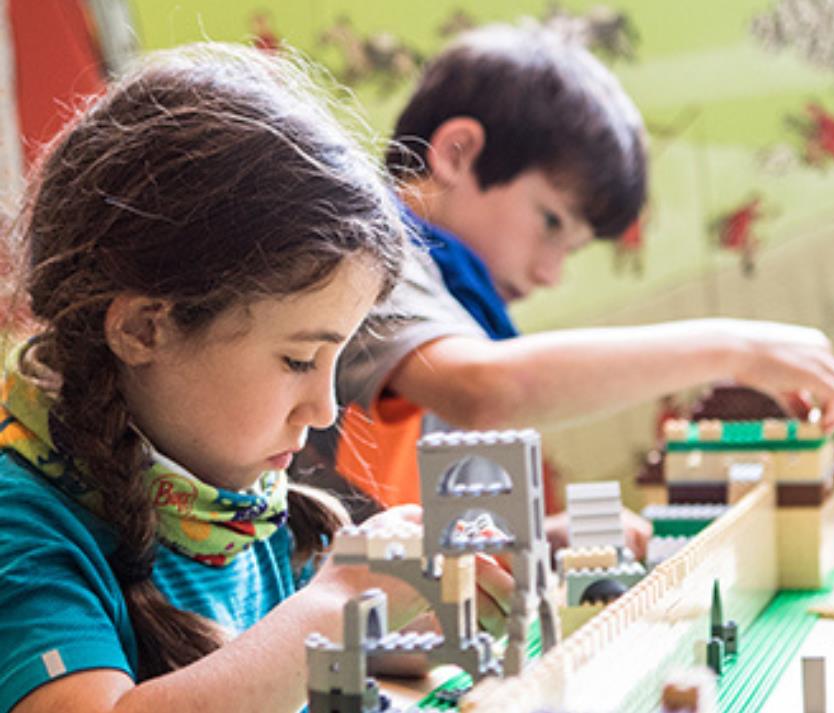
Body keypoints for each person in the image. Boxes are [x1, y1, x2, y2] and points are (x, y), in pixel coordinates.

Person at [0, 44, 512, 713]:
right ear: (143, 329)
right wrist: (345, 597)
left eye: (336, 360)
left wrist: (432, 607)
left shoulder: (236, 503)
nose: (324, 409)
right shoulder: (24, 528)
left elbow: (301, 683)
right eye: (300, 359)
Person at [299, 25, 834, 551]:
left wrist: (540, 543)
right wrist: (735, 350)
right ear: (457, 153)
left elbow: (428, 528)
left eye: (570, 249)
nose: (549, 274)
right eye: (550, 224)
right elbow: (483, 391)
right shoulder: (373, 253)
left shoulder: (457, 312)